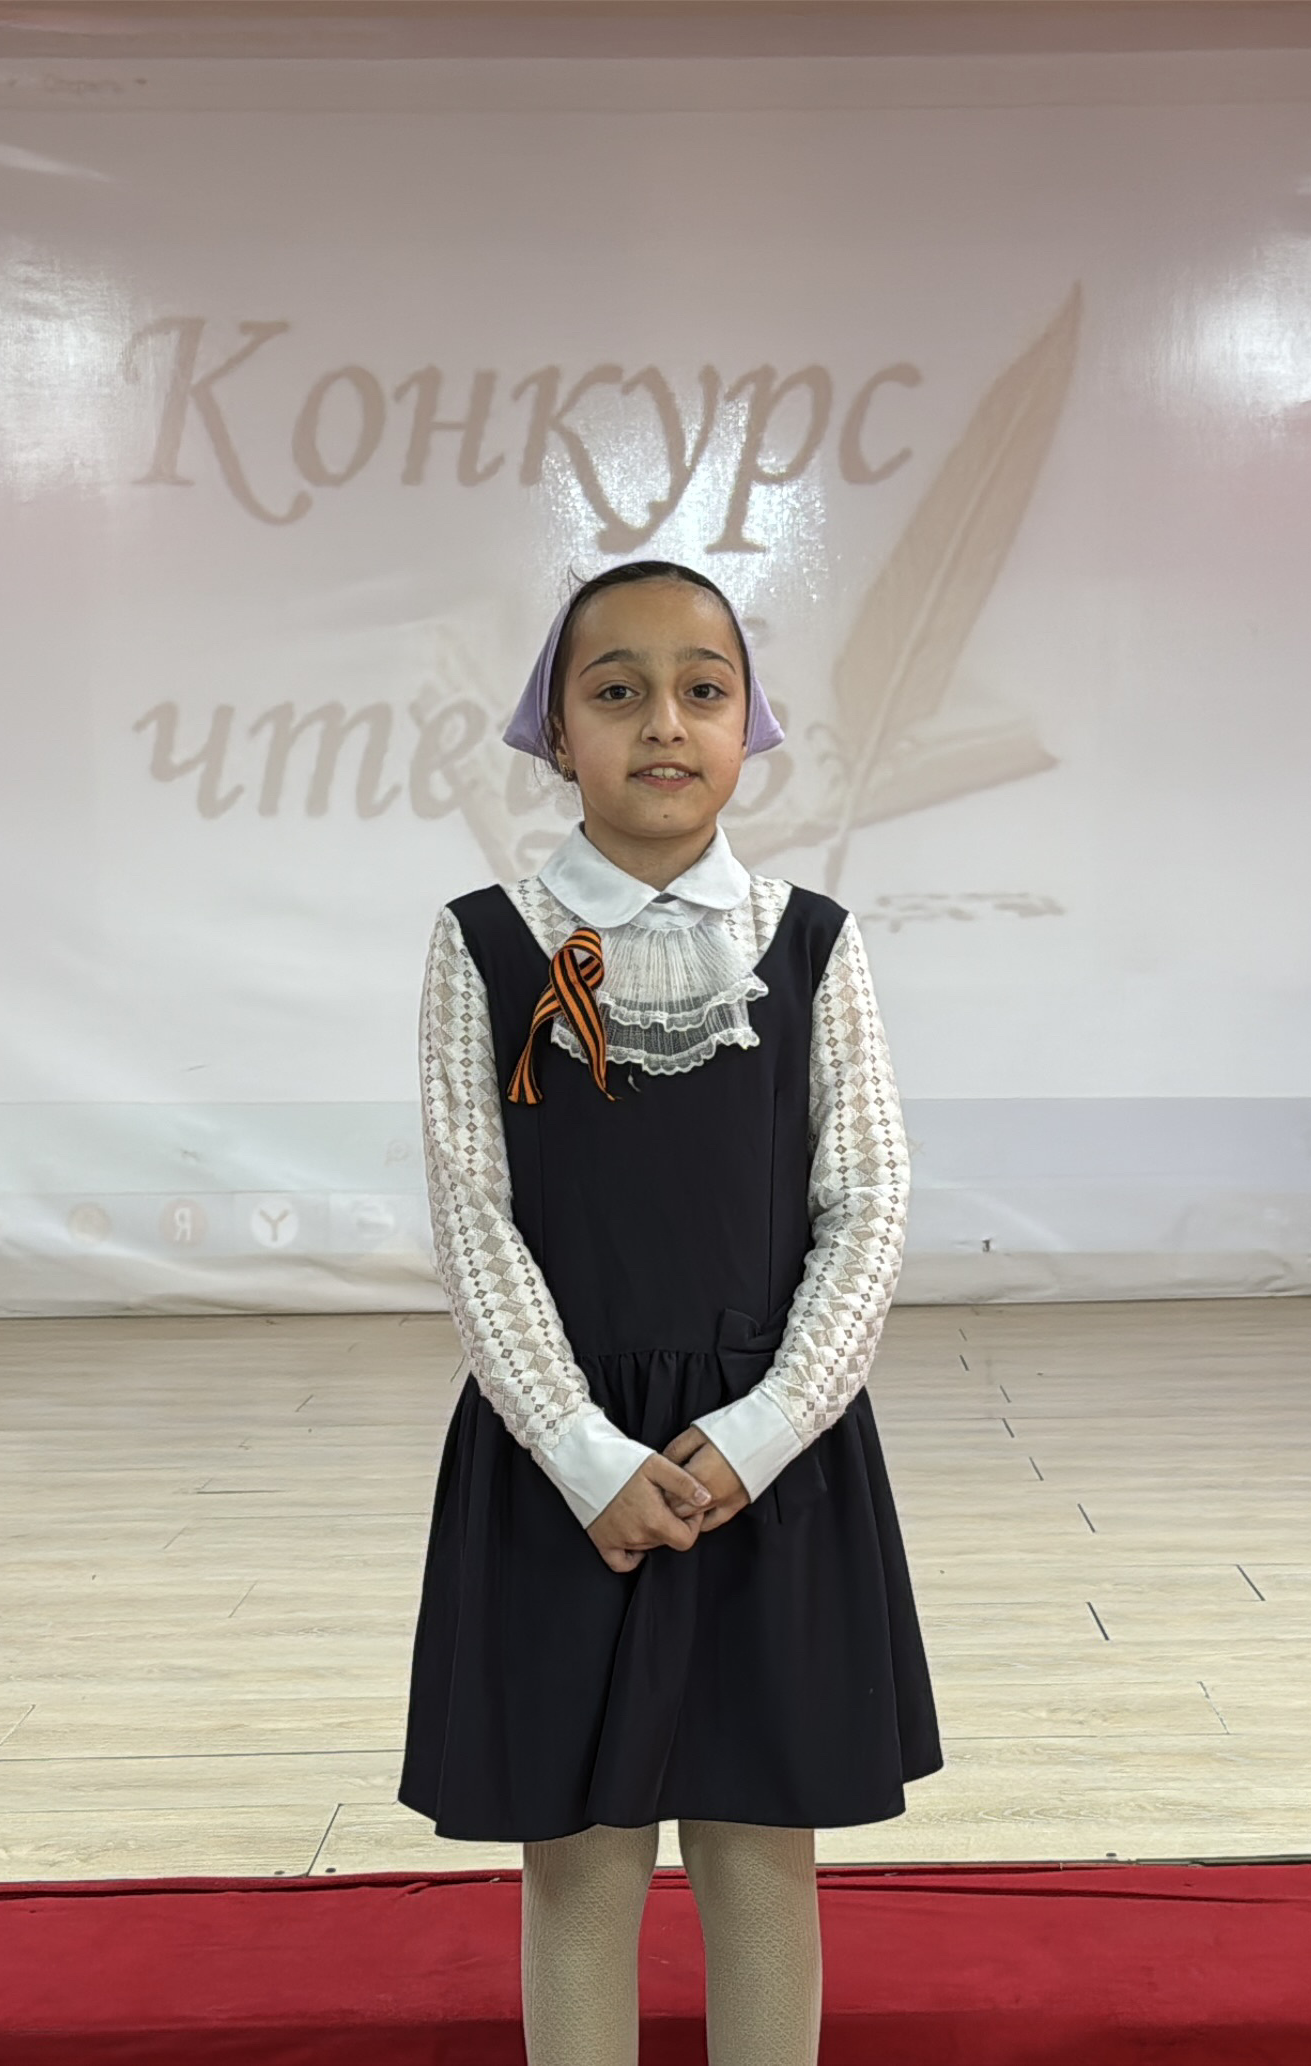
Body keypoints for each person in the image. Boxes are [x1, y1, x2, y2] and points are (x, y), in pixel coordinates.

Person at [399, 560, 939, 2065]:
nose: (663, 724)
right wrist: (583, 1454)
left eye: (703, 690)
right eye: (617, 690)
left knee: (762, 1864)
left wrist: (763, 1431)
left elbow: (868, 1202)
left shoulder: (810, 940)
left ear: (748, 723)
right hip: (562, 1474)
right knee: (579, 1870)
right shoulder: (484, 942)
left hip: (764, 1469)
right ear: (554, 729)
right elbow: (474, 1219)